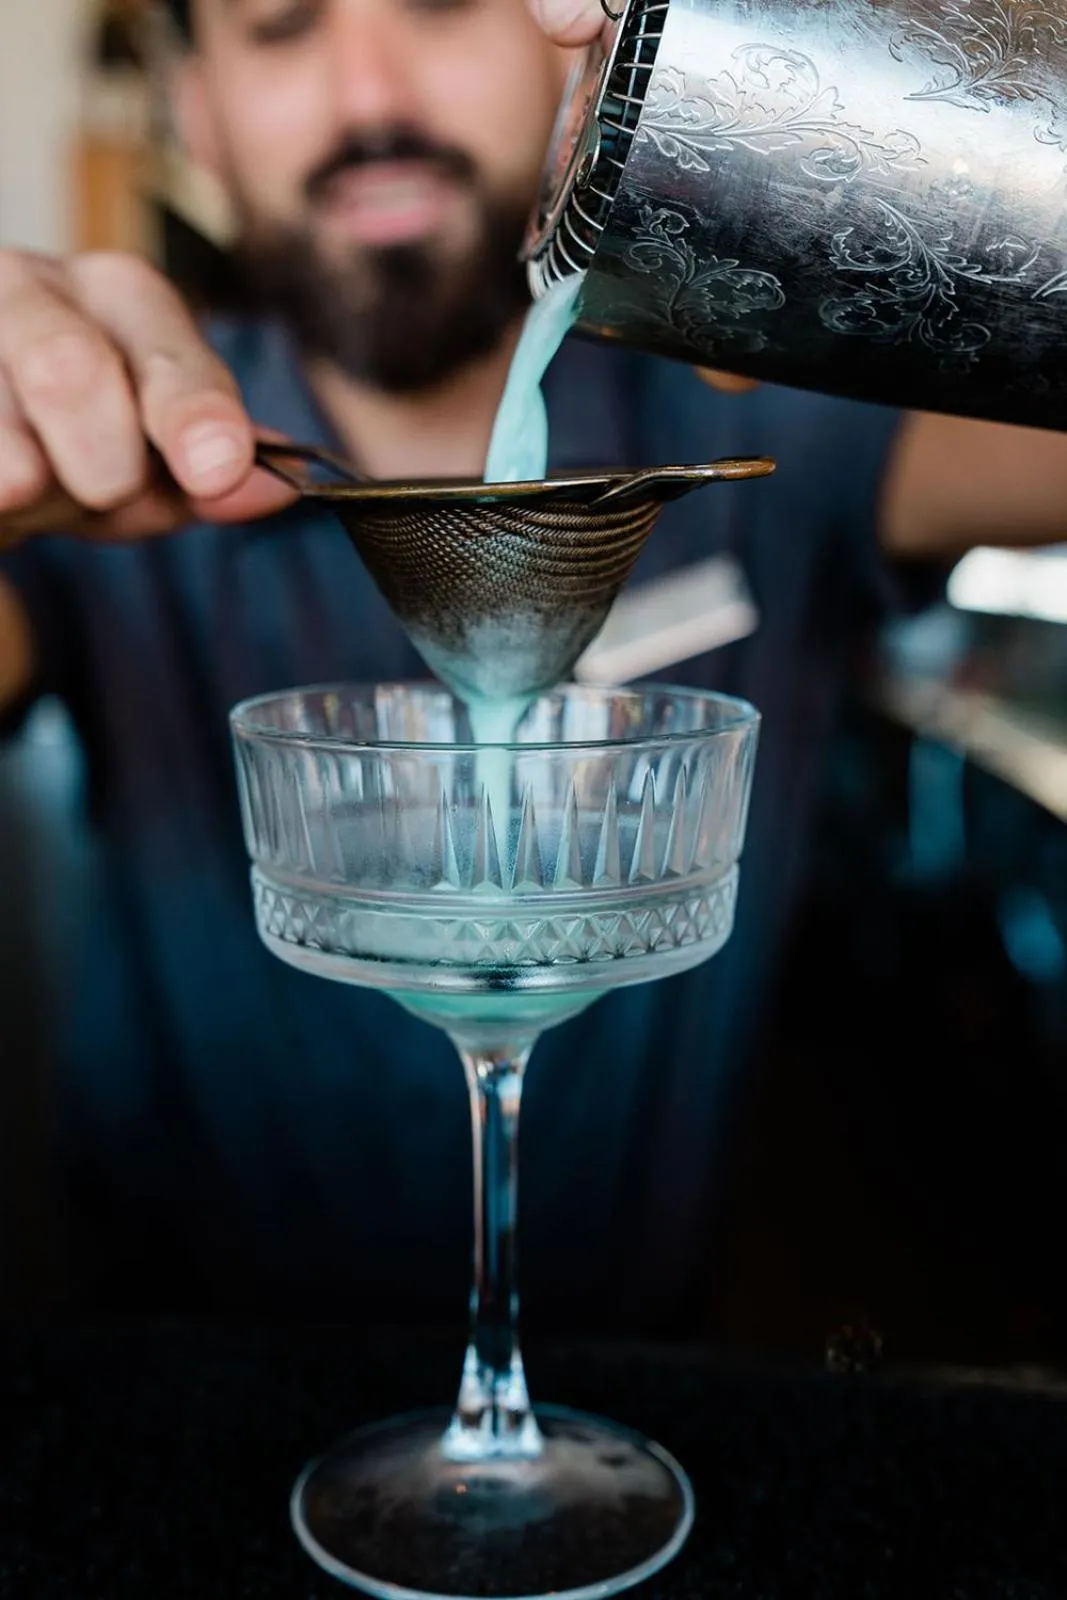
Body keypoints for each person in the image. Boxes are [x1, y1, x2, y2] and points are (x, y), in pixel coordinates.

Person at [2, 0, 1067, 1334]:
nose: (369, 92)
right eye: (280, 27)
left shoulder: (769, 402)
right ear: (196, 115)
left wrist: (905, 49)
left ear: (578, 41)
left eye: (445, 2)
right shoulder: (91, 466)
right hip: (173, 1417)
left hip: (652, 1390)